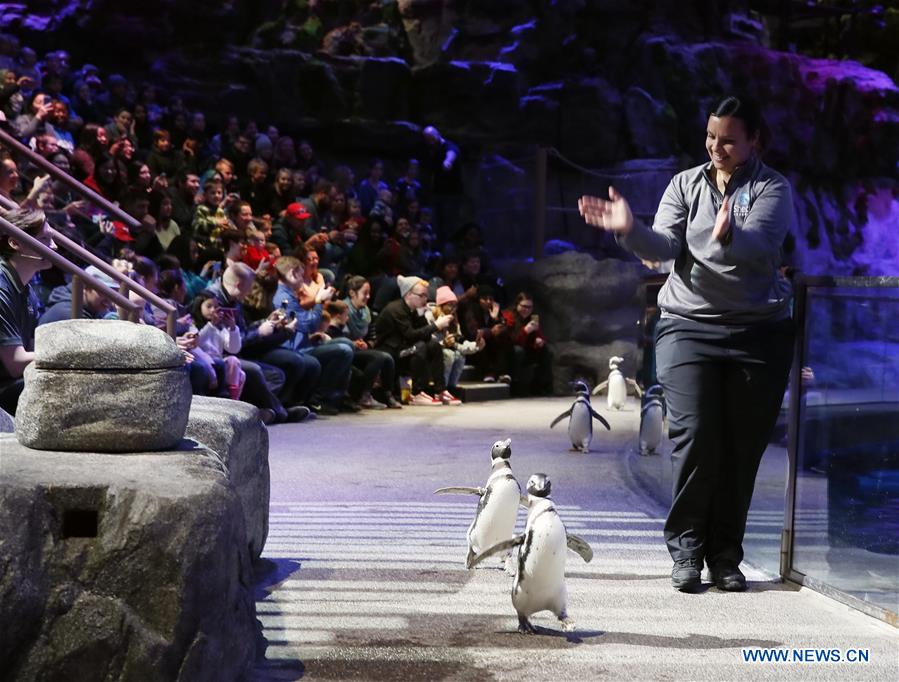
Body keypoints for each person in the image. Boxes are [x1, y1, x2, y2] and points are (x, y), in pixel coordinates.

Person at [578, 94, 795, 593]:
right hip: (688, 325)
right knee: (695, 436)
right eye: (711, 137)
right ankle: (687, 548)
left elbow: (759, 244)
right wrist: (630, 230)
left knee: (741, 450)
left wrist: (727, 235)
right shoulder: (684, 184)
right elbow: (665, 246)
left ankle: (725, 556)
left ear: (754, 141)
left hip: (757, 332)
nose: (716, 147)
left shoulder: (773, 188)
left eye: (729, 141)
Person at [0, 207, 54, 414]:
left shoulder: (28, 290)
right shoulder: (1, 285)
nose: (54, 246)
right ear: (15, 243)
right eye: (45, 239)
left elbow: (31, 350)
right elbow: (15, 363)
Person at [374, 275, 454, 406]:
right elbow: (410, 335)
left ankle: (440, 390)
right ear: (408, 294)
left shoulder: (415, 310)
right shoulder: (396, 309)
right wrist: (436, 326)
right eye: (421, 295)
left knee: (433, 345)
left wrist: (422, 315)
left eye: (426, 295)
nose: (425, 299)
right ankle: (417, 393)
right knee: (420, 346)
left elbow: (425, 335)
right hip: (391, 350)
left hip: (404, 347)